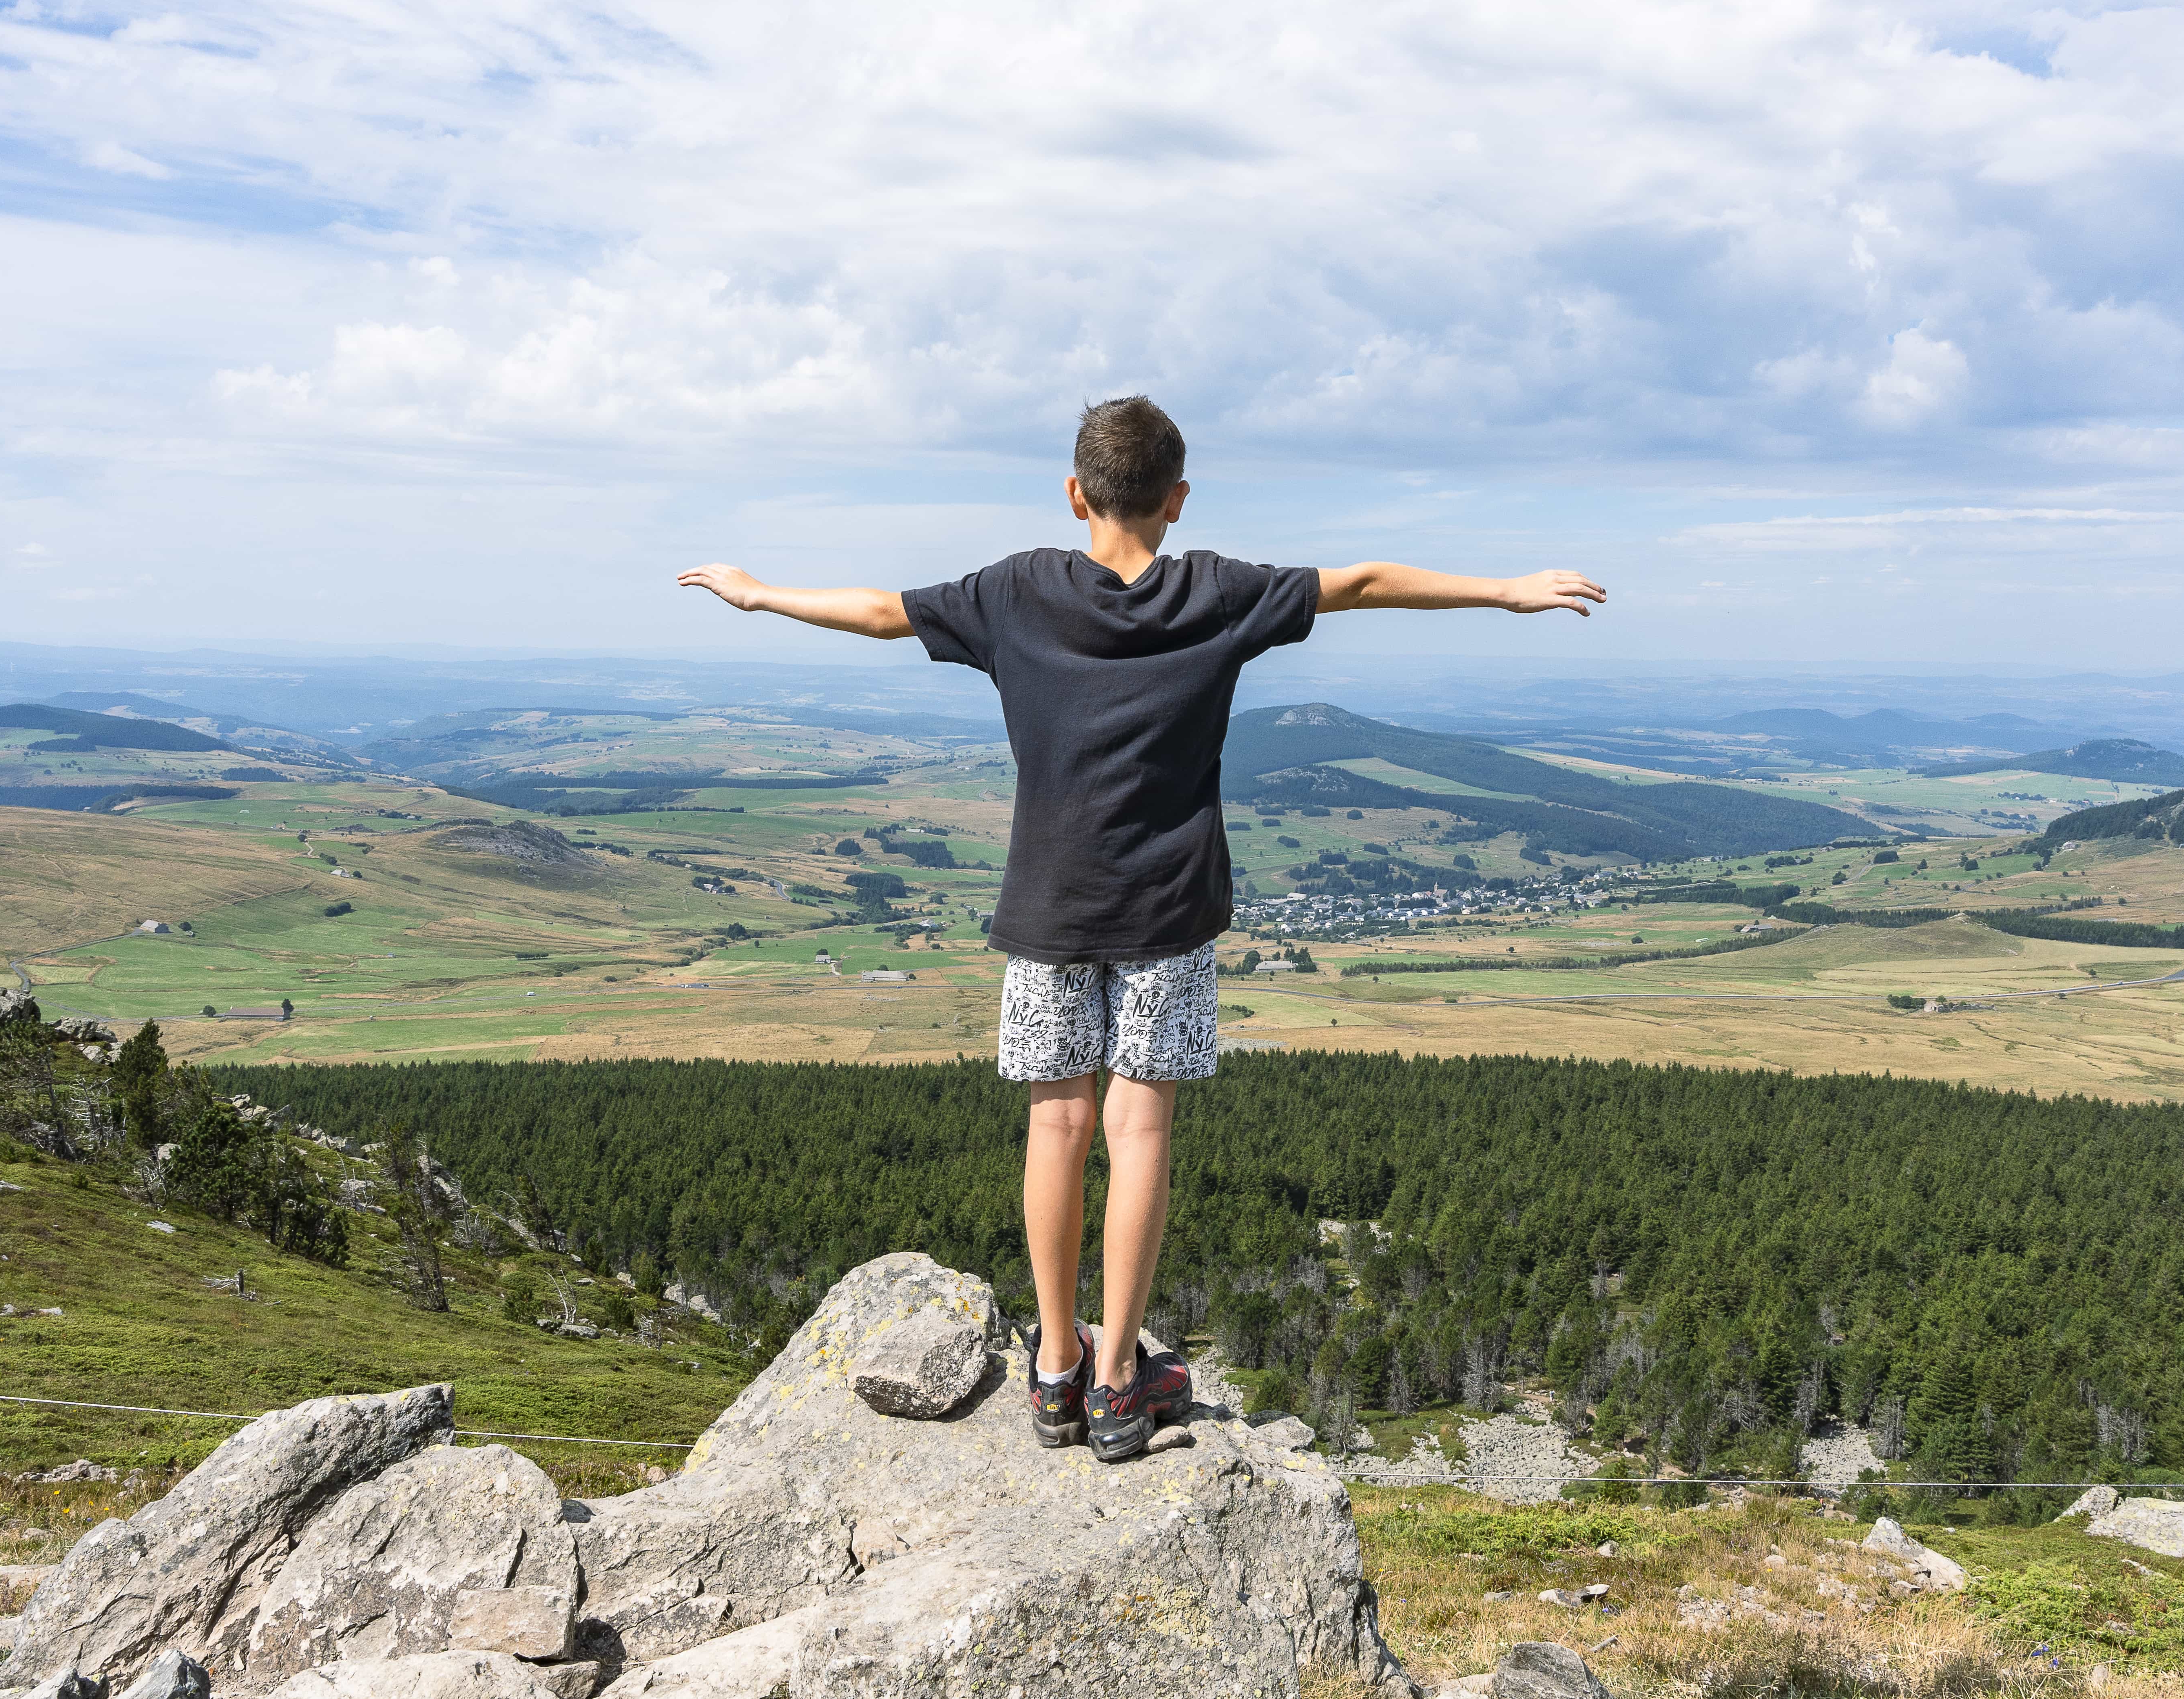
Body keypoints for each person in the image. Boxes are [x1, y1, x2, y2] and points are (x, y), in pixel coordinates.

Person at [678, 396, 1605, 1460]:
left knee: (1057, 1127)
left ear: (1076, 494)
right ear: (1178, 501)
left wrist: (759, 596)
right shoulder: (1214, 592)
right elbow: (1360, 583)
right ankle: (1121, 1374)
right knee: (1140, 1132)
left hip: (1048, 909)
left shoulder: (1017, 591)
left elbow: (884, 612)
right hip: (1169, 914)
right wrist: (1506, 591)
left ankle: (1056, 1369)